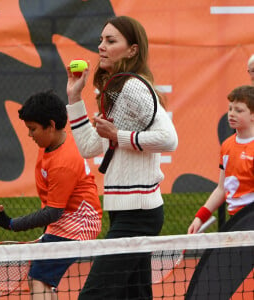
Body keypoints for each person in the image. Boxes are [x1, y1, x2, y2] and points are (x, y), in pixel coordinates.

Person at [66, 16, 178, 299]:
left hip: (138, 213)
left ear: (132, 50)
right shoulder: (114, 90)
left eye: (111, 41)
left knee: (94, 294)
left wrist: (119, 135)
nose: (101, 46)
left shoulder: (134, 87)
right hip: (123, 211)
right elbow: (90, 147)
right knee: (134, 295)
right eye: (102, 40)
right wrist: (74, 98)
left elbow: (169, 139)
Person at [0, 90, 102, 300]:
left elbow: (53, 212)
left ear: (52, 125)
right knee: (41, 279)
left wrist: (12, 224)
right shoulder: (51, 143)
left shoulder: (64, 162)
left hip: (79, 223)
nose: (30, 135)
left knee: (38, 278)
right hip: (65, 217)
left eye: (33, 129)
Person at [188, 85, 254, 234]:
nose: (231, 114)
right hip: (235, 220)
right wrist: (200, 218)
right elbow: (222, 188)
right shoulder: (227, 145)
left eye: (239, 110)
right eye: (230, 109)